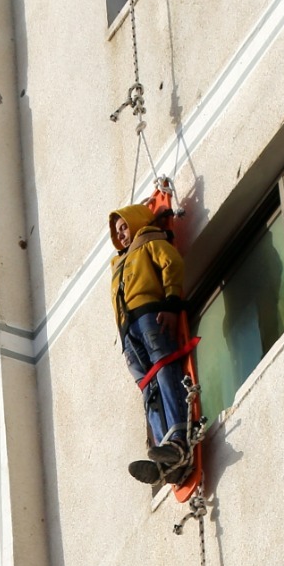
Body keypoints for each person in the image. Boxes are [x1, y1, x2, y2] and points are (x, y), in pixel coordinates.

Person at [109, 203, 193, 485]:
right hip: (128, 330)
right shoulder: (119, 263)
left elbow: (172, 263)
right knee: (147, 386)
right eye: (117, 231)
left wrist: (170, 302)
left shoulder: (148, 240)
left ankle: (178, 438)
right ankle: (164, 454)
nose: (121, 234)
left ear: (135, 222)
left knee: (163, 369)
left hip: (148, 314)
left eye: (124, 227)